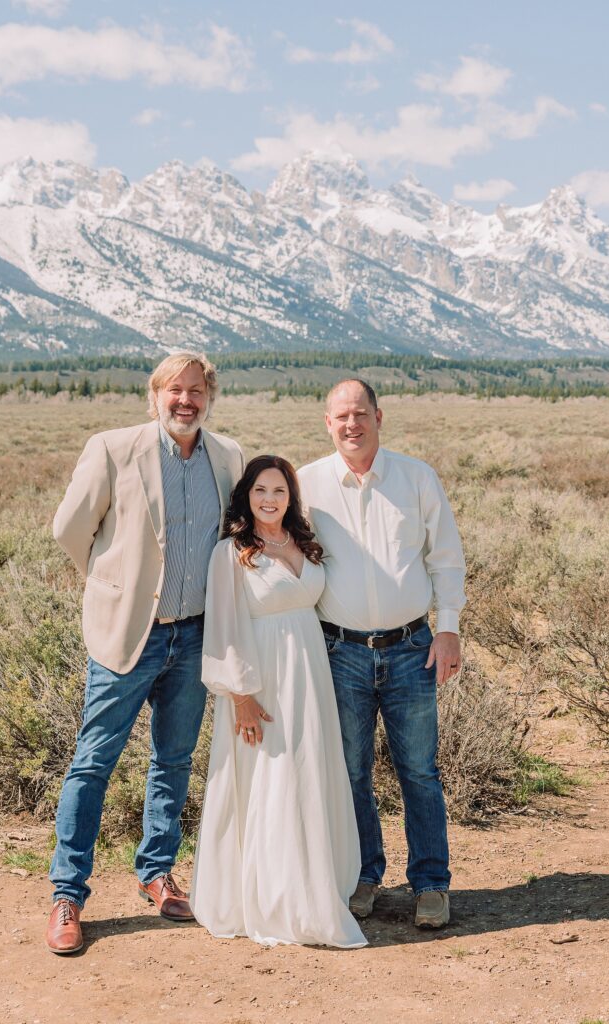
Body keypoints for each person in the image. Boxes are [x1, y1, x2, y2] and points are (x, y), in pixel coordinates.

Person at [45, 351, 244, 954]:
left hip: (193, 636)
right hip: (128, 634)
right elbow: (69, 528)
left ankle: (156, 871)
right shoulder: (112, 448)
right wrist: (112, 582)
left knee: (174, 759)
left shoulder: (228, 457)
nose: (185, 401)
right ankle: (67, 895)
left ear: (209, 397)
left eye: (196, 391)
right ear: (154, 395)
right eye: (174, 391)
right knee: (92, 763)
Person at [297, 379, 466, 929]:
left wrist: (449, 629)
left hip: (412, 648)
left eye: (361, 413)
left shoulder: (417, 478)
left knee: (419, 770)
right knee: (349, 771)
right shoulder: (307, 485)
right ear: (328, 423)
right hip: (338, 650)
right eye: (341, 415)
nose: (352, 424)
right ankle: (363, 874)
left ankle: (431, 884)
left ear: (379, 416)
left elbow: (445, 558)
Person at [191, 455, 366, 949]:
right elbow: (223, 627)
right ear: (246, 495)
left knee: (308, 770)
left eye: (280, 491)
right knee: (270, 776)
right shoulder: (232, 552)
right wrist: (241, 696)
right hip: (261, 677)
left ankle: (315, 882)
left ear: (292, 498)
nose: (270, 500)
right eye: (260, 491)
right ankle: (273, 895)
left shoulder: (304, 545)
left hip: (309, 674)